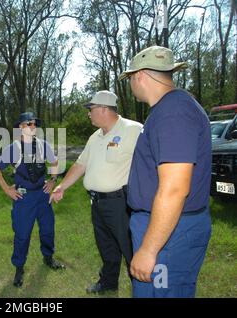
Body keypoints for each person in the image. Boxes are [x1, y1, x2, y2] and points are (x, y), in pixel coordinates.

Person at [118, 46, 212, 298]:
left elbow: (174, 189)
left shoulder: (173, 113)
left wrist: (149, 249)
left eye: (130, 79)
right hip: (165, 227)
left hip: (168, 232)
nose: (130, 84)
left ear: (139, 76)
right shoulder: (169, 108)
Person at [50, 91, 143, 293]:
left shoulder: (133, 130)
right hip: (97, 203)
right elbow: (81, 165)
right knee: (106, 247)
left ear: (103, 109)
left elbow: (151, 163)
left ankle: (142, 290)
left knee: (131, 249)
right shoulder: (95, 137)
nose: (88, 114)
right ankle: (108, 283)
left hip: (122, 203)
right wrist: (62, 186)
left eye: (90, 110)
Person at [0, 112, 65, 288]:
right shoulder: (13, 148)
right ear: (20, 128)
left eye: (35, 124)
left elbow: (54, 163)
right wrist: (6, 189)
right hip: (24, 198)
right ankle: (19, 268)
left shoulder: (43, 146)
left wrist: (53, 180)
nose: (33, 127)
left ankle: (48, 257)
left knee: (47, 229)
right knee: (22, 235)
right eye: (29, 124)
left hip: (42, 195)